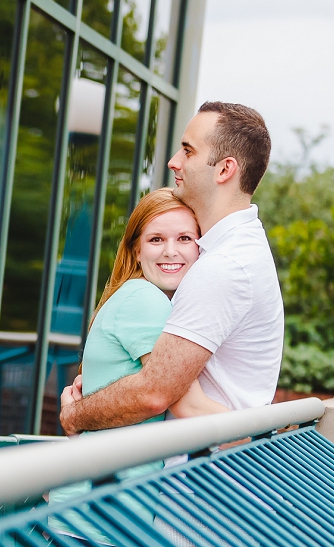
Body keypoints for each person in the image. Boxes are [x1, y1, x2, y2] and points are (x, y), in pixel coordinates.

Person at [59, 101, 283, 433]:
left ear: (224, 169)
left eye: (188, 151)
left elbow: (155, 393)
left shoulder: (223, 266)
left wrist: (76, 414)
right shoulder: (234, 251)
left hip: (205, 477)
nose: (173, 162)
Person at [48, 187, 211, 542]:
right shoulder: (146, 300)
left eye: (185, 237)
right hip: (102, 521)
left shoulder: (137, 296)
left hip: (99, 515)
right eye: (156, 239)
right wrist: (273, 432)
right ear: (136, 250)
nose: (171, 251)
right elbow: (184, 405)